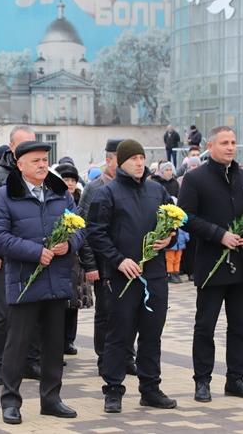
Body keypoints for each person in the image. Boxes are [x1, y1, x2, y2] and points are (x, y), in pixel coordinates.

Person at [0, 140, 84, 424]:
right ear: (20, 165)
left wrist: (70, 244)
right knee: (17, 344)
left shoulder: (60, 194)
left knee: (54, 345)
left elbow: (78, 227)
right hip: (24, 280)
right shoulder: (4, 196)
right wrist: (34, 252)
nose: (42, 165)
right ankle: (10, 401)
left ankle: (51, 399)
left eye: (44, 160)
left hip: (56, 280)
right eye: (35, 161)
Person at [178, 126, 243, 404]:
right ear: (211, 145)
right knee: (205, 326)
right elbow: (185, 216)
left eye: (233, 143)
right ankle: (202, 380)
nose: (230, 147)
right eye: (225, 143)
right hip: (211, 264)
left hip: (241, 264)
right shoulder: (195, 179)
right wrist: (219, 234)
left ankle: (236, 378)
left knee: (240, 325)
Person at [87, 139, 177, 414]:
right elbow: (95, 232)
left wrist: (168, 240)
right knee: (119, 335)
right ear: (120, 161)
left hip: (155, 274)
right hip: (122, 276)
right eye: (133, 158)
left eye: (142, 157)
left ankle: (150, 388)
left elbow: (170, 225)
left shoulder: (156, 190)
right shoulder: (107, 193)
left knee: (152, 333)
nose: (139, 162)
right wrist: (118, 260)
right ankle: (113, 390)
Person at [0, 125, 39, 386]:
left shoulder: (40, 177)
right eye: (25, 145)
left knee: (33, 310)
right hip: (4, 256)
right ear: (13, 148)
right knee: (3, 312)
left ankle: (29, 361)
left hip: (33, 254)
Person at [76, 139, 137, 377]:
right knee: (106, 314)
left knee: (130, 312)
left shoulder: (136, 186)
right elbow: (86, 228)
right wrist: (90, 264)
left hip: (130, 264)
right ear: (109, 160)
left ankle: (127, 356)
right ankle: (105, 357)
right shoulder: (95, 188)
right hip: (104, 263)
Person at [54, 163, 92, 356]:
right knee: (61, 302)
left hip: (77, 257)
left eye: (72, 180)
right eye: (66, 179)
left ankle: (69, 339)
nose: (69, 183)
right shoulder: (56, 199)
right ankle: (57, 342)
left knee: (74, 301)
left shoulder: (80, 198)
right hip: (60, 255)